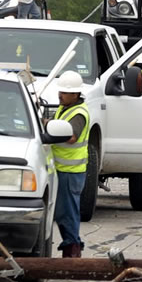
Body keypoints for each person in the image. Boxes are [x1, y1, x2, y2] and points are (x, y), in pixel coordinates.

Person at [49, 70, 90, 258]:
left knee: (68, 213)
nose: (60, 95)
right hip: (62, 169)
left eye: (65, 92)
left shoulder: (79, 113)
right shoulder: (65, 108)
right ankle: (71, 247)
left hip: (70, 171)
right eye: (60, 91)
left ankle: (72, 251)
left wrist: (48, 126)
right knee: (63, 212)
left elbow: (71, 137)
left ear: (75, 94)